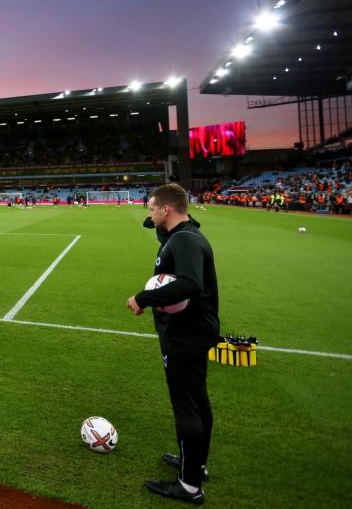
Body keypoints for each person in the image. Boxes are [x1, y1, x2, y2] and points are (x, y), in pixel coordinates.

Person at [127, 183, 219, 505]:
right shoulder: (183, 236)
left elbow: (190, 284)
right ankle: (196, 463)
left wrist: (143, 298)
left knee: (186, 406)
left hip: (186, 335)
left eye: (152, 209)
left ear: (166, 209)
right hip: (191, 332)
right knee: (197, 399)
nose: (150, 214)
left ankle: (190, 485)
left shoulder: (185, 241)